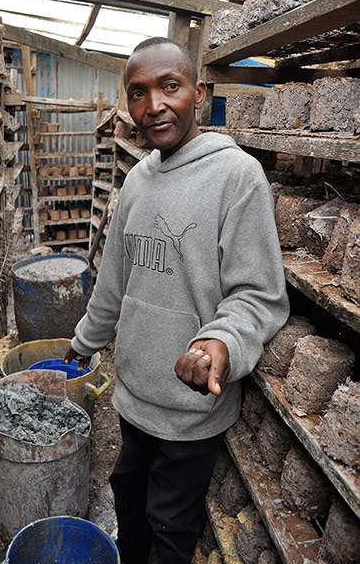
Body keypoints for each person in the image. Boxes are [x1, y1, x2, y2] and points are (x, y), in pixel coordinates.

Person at [64, 36, 289, 563]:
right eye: (138, 93)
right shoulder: (137, 182)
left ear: (200, 94)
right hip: (134, 396)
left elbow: (259, 294)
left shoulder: (238, 177)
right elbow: (114, 284)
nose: (154, 105)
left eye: (170, 86)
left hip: (192, 410)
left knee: (170, 527)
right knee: (128, 497)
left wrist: (220, 342)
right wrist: (83, 343)